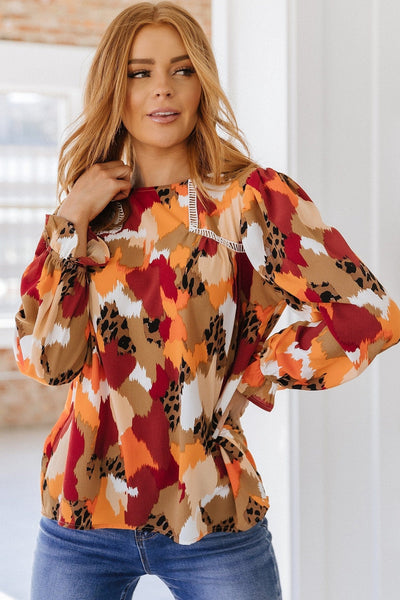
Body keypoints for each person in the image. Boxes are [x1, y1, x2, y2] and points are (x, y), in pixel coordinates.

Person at [14, 2, 400, 599]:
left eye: (182, 69)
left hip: (213, 511)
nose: (162, 88)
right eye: (140, 72)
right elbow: (46, 362)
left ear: (203, 84)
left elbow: (368, 316)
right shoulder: (84, 212)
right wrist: (71, 218)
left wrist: (257, 374)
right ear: (115, 87)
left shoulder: (249, 200)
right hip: (81, 517)